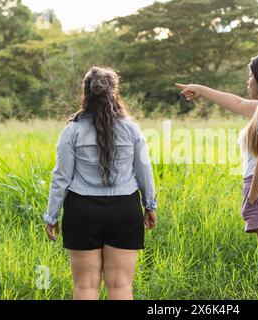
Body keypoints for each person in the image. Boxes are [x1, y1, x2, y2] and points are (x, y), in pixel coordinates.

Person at [176, 52, 258, 300]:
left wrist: (252, 197)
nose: (248, 82)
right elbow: (237, 103)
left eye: (251, 77)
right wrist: (201, 89)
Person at [44, 66, 157, 300]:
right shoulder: (131, 129)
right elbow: (144, 170)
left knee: (85, 287)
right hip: (124, 210)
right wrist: (150, 205)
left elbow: (61, 177)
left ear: (86, 93)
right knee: (121, 286)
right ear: (115, 93)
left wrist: (52, 216)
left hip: (82, 210)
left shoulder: (72, 130)